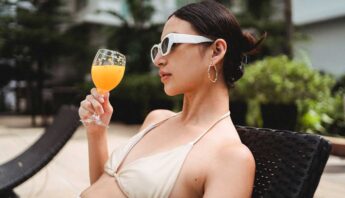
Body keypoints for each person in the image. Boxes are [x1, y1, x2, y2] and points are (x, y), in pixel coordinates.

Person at [78, 1, 265, 197]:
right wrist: (96, 133)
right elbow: (104, 189)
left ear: (216, 51)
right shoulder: (156, 119)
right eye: (158, 47)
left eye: (169, 44)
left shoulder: (230, 158)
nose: (158, 59)